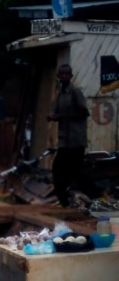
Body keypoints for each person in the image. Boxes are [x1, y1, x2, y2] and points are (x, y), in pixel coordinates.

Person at [47, 64, 94, 206]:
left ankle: (97, 196)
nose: (64, 76)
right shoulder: (60, 94)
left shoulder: (75, 92)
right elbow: (55, 112)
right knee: (59, 171)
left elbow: (84, 112)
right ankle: (64, 202)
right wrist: (52, 116)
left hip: (76, 140)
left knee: (77, 173)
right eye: (61, 74)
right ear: (58, 76)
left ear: (71, 76)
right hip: (64, 141)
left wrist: (63, 116)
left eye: (66, 74)